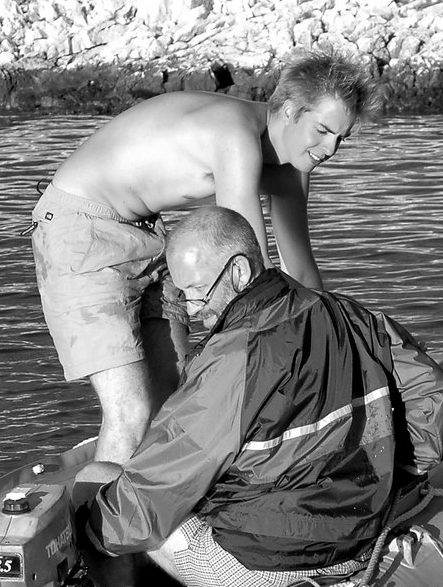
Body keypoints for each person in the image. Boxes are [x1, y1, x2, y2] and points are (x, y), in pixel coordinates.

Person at [75, 206, 443, 587]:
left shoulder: (232, 360)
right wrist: (402, 478)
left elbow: (160, 487)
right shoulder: (353, 315)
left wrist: (88, 531)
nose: (193, 310)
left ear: (239, 272)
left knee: (98, 481)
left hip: (255, 568)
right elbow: (428, 388)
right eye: (183, 296)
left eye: (198, 291)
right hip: (360, 538)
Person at [30, 50, 383, 467]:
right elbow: (247, 274)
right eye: (323, 131)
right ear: (289, 111)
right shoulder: (235, 137)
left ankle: (153, 509)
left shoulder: (293, 163)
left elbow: (301, 271)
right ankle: (100, 528)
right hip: (82, 228)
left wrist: (333, 345)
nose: (332, 149)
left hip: (147, 234)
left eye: (342, 138)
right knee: (131, 411)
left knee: (174, 400)